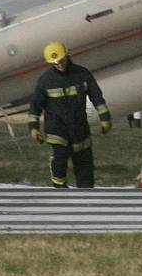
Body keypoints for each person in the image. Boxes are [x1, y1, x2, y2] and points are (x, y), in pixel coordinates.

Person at [27, 42, 112, 188]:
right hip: (56, 128)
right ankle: (60, 188)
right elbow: (35, 105)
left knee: (84, 166)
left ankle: (86, 199)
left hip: (79, 127)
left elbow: (97, 97)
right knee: (60, 158)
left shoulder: (83, 75)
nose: (59, 64)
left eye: (61, 60)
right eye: (55, 63)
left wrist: (105, 118)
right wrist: (33, 128)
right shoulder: (45, 80)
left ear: (67, 55)